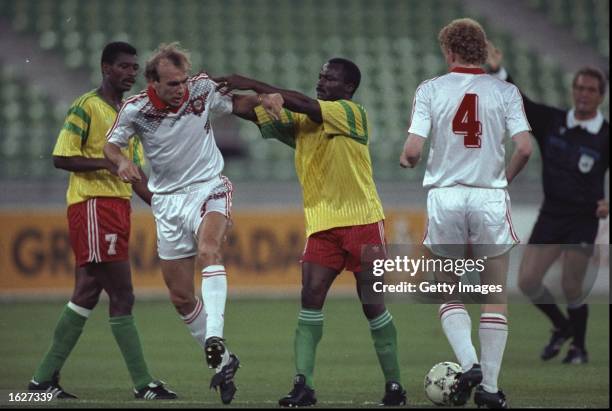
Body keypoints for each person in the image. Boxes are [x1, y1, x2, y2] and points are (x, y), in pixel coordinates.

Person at [213, 57, 406, 407]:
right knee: (310, 297)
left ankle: (395, 387)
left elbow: (300, 102)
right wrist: (216, 98)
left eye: (329, 79)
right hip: (322, 225)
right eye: (319, 77)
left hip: (363, 221)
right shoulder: (302, 121)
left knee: (372, 305)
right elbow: (251, 111)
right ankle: (304, 386)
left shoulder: (353, 113)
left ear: (348, 88)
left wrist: (249, 80)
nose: (322, 82)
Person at [103, 42, 280, 405]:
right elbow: (111, 146)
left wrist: (262, 100)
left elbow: (237, 104)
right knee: (181, 296)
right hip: (167, 201)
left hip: (208, 188)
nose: (180, 89)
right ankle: (226, 361)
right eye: (171, 84)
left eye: (182, 81)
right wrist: (121, 163)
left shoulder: (201, 89)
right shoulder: (135, 109)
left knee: (209, 250)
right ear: (152, 82)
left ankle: (214, 337)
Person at [29, 42, 176, 400]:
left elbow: (134, 171)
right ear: (105, 68)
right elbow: (62, 157)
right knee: (122, 294)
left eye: (134, 67)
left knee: (87, 293)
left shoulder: (129, 113)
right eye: (123, 67)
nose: (131, 73)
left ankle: (41, 381)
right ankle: (144, 384)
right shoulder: (86, 106)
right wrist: (109, 162)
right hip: (93, 206)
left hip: (116, 208)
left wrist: (160, 206)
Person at [400, 19, 533, 409]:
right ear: (481, 51)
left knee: (448, 289)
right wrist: (502, 179)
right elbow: (524, 147)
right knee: (494, 294)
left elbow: (411, 151)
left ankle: (469, 362)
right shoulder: (506, 92)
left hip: (446, 198)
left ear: (449, 52)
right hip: (488, 197)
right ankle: (489, 389)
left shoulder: (431, 89)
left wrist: (408, 161)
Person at [486, 43, 610, 364]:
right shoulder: (553, 121)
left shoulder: (605, 135)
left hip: (583, 217)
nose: (583, 94)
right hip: (551, 214)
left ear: (601, 96)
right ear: (572, 90)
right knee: (527, 280)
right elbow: (521, 103)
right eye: (579, 87)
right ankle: (562, 326)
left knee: (571, 283)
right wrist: (498, 70)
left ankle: (579, 348)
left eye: (591, 90)